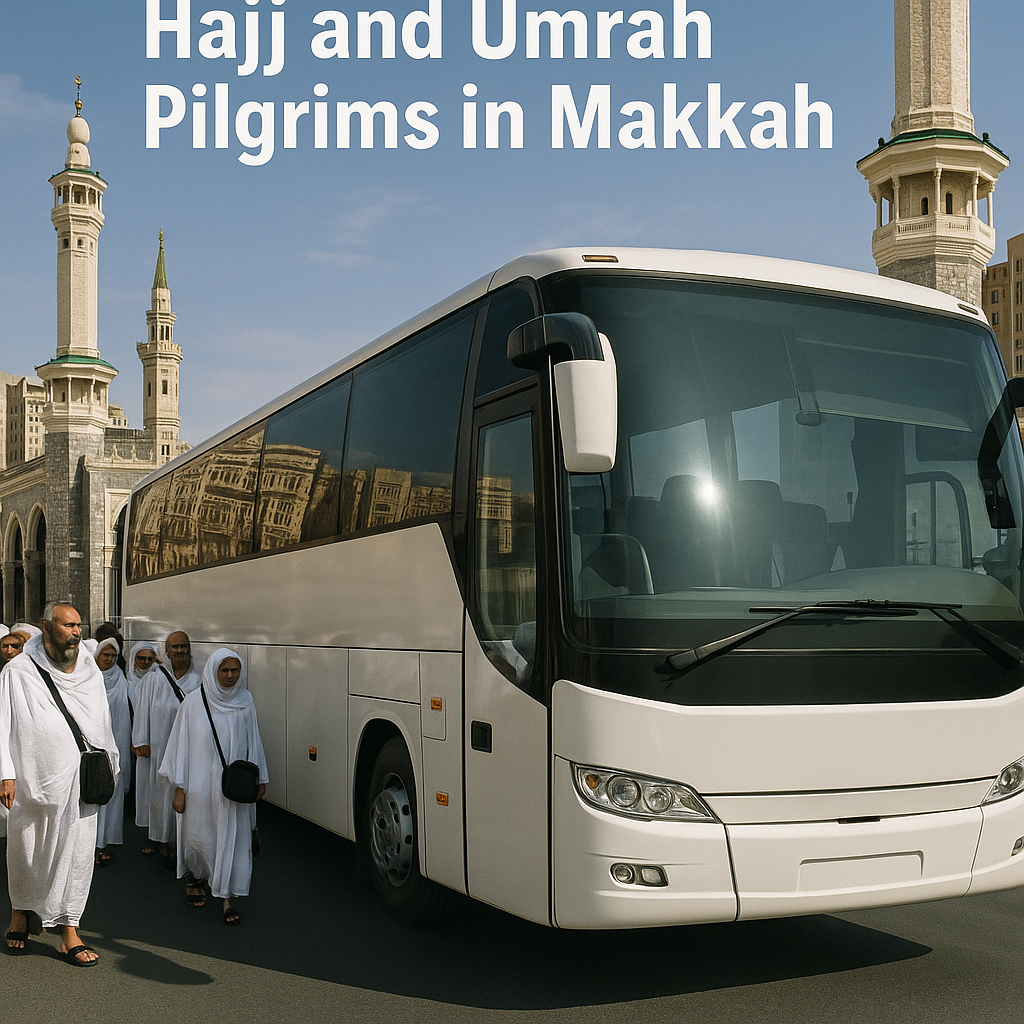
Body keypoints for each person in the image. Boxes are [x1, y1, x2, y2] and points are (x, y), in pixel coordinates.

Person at [0, 601, 119, 965]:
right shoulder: (19, 671)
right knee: (27, 849)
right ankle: (20, 913)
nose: (75, 632)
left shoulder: (89, 671)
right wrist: (6, 773)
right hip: (33, 780)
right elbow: (2, 725)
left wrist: (110, 762)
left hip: (81, 782)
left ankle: (69, 931)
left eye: (78, 626)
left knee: (79, 854)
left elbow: (102, 722)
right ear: (46, 627)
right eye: (67, 626)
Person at [160, 649, 267, 924]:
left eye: (235, 671)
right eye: (225, 670)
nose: (230, 676)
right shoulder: (194, 703)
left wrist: (260, 778)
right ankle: (196, 876)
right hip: (198, 785)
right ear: (213, 671)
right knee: (200, 836)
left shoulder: (245, 702)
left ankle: (226, 897)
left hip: (234, 789)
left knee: (231, 837)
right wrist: (180, 788)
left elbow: (254, 740)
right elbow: (180, 746)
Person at [132, 631, 200, 860]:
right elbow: (141, 710)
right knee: (157, 790)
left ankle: (176, 839)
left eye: (183, 646)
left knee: (181, 790)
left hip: (186, 747)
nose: (179, 651)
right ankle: (157, 836)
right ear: (167, 651)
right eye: (175, 647)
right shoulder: (153, 678)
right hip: (159, 746)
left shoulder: (198, 680)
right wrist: (141, 740)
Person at [86, 638, 131, 866]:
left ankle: (103, 843)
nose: (109, 659)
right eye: (105, 655)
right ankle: (88, 845)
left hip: (117, 744)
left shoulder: (121, 680)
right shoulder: (88, 679)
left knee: (110, 792)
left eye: (113, 656)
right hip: (91, 745)